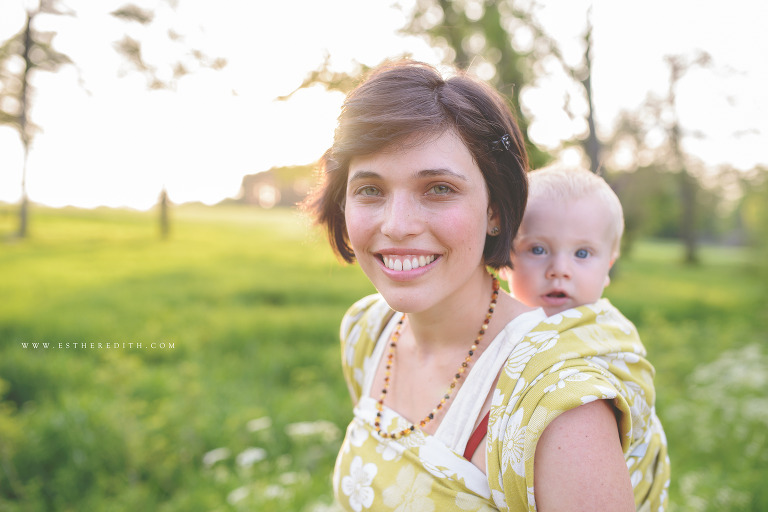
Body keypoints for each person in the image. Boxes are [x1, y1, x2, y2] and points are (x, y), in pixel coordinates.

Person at [305, 60, 669, 511]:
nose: (397, 226)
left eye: (438, 188)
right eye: (370, 190)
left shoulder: (560, 408)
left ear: (495, 210)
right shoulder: (368, 330)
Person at [500, 165, 624, 316]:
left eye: (582, 253)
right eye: (537, 250)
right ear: (504, 261)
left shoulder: (612, 333)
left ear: (607, 267)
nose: (559, 270)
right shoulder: (489, 326)